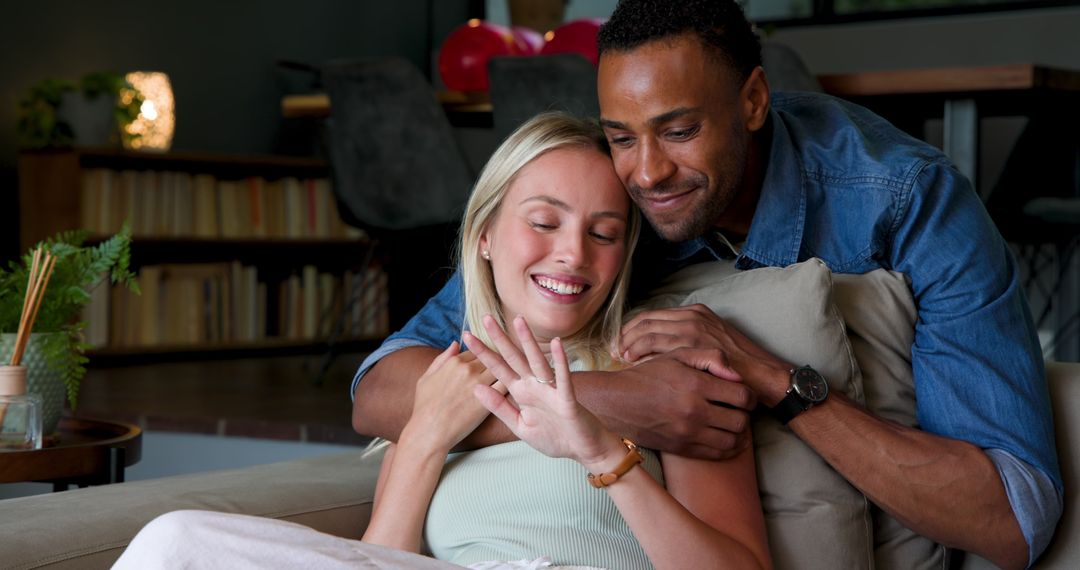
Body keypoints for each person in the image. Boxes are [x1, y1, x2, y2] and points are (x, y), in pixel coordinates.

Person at [351, 1, 1062, 569]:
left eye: (680, 130)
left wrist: (774, 380)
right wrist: (617, 402)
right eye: (622, 137)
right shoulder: (607, 200)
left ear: (753, 101)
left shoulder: (904, 202)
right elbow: (382, 389)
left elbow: (1010, 521)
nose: (648, 173)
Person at [113, 112, 771, 570]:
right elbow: (379, 561)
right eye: (544, 222)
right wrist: (427, 435)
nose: (571, 254)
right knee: (177, 543)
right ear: (483, 235)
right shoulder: (442, 381)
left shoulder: (663, 372)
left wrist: (601, 450)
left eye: (602, 234)